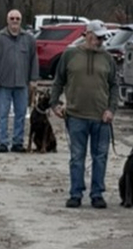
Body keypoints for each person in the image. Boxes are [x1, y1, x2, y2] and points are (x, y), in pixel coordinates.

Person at [48, 20, 117, 208]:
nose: (100, 41)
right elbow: (59, 80)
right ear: (87, 35)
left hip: (101, 117)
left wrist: (111, 109)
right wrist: (54, 103)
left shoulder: (108, 58)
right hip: (76, 115)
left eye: (103, 38)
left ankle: (97, 194)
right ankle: (76, 193)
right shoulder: (70, 55)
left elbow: (114, 86)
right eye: (97, 37)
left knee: (100, 157)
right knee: (77, 156)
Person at [0, 9, 37, 153]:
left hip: (22, 83)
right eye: (12, 18)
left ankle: (17, 142)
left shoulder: (29, 39)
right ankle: (3, 142)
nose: (15, 21)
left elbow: (34, 60)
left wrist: (33, 79)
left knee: (21, 114)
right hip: (3, 83)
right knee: (2, 114)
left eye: (17, 18)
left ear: (21, 20)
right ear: (7, 20)